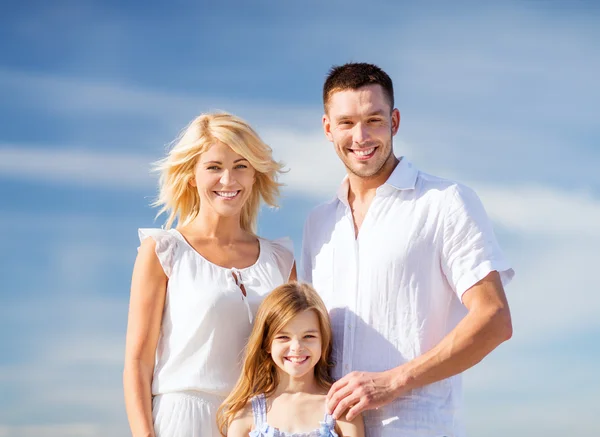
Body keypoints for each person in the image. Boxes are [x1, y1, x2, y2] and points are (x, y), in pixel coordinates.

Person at [300, 62, 515, 437]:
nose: (361, 136)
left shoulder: (445, 202)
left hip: (418, 428)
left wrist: (393, 381)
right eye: (347, 123)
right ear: (327, 129)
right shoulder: (318, 223)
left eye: (374, 120)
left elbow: (494, 319)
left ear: (395, 122)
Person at [123, 112, 296, 437]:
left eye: (241, 166)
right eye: (214, 167)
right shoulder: (164, 251)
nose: (228, 180)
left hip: (260, 421)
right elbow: (138, 362)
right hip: (184, 419)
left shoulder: (281, 260)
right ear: (191, 175)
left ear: (255, 174)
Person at [217, 282, 364, 437]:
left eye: (308, 336)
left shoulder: (342, 409)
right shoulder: (245, 415)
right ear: (267, 343)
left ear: (323, 340)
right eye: (283, 337)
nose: (297, 347)